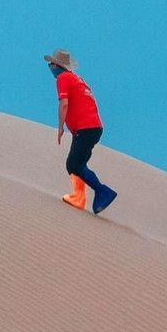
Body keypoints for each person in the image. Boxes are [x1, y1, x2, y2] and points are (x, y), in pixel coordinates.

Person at [45, 49, 117, 214]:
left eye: (51, 64)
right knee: (76, 165)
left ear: (57, 65)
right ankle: (79, 197)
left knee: (74, 164)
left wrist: (61, 127)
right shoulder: (77, 79)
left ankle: (102, 191)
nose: (49, 67)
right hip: (92, 127)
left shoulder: (63, 78)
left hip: (86, 128)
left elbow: (64, 103)